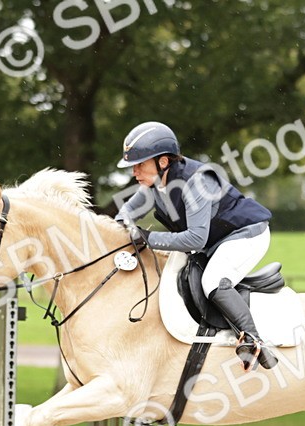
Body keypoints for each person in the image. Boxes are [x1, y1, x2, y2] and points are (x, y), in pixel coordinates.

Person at [113, 121, 278, 371]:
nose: (134, 172)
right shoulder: (155, 184)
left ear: (163, 161)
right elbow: (125, 215)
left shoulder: (196, 182)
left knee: (212, 281)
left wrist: (147, 237)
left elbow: (195, 239)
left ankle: (253, 341)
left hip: (246, 235)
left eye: (140, 164)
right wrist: (116, 230)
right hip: (217, 241)